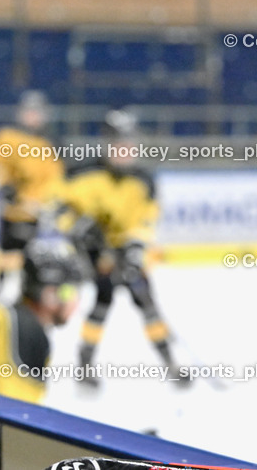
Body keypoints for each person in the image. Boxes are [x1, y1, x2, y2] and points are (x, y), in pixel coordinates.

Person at [58, 109, 188, 387]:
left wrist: (135, 247)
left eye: (130, 146)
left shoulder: (143, 181)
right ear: (106, 145)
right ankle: (84, 363)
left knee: (145, 300)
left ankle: (169, 362)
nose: (125, 152)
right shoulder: (83, 173)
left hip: (124, 247)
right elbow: (58, 208)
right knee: (103, 297)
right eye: (119, 146)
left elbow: (145, 219)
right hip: (94, 250)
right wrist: (77, 227)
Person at [0, 236, 87, 403]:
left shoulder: (7, 318)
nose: (76, 300)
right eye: (69, 291)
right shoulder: (27, 331)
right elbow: (15, 416)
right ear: (49, 294)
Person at [0, 90, 65, 304]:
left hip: (31, 212)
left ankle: (23, 294)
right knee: (5, 254)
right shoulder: (7, 137)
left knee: (26, 256)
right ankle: (2, 290)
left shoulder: (49, 143)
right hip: (10, 210)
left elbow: (54, 180)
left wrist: (45, 202)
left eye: (36, 112)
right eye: (29, 112)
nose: (32, 117)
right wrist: (4, 186)